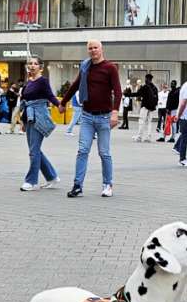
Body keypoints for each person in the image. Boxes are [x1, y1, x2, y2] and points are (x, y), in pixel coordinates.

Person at [61, 40, 122, 198]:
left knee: (104, 153)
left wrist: (115, 112)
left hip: (104, 117)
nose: (93, 50)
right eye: (90, 48)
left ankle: (107, 184)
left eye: (96, 48)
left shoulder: (110, 67)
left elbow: (118, 91)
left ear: (101, 49)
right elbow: (75, 85)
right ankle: (77, 186)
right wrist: (63, 102)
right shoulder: (85, 66)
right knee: (82, 151)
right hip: (87, 116)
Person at [19, 58, 60, 191]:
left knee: (34, 151)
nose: (32, 66)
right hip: (29, 117)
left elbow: (50, 96)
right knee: (35, 150)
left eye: (35, 64)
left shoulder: (43, 81)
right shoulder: (29, 82)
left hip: (39, 117)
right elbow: (25, 101)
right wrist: (23, 121)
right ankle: (52, 177)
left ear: (40, 67)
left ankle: (31, 182)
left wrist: (60, 105)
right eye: (30, 63)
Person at [133, 72, 158, 143]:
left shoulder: (145, 87)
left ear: (146, 79)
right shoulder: (155, 88)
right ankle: (148, 137)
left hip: (145, 106)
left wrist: (128, 94)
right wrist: (154, 105)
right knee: (149, 122)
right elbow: (157, 98)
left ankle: (139, 137)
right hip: (152, 107)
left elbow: (138, 94)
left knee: (141, 121)